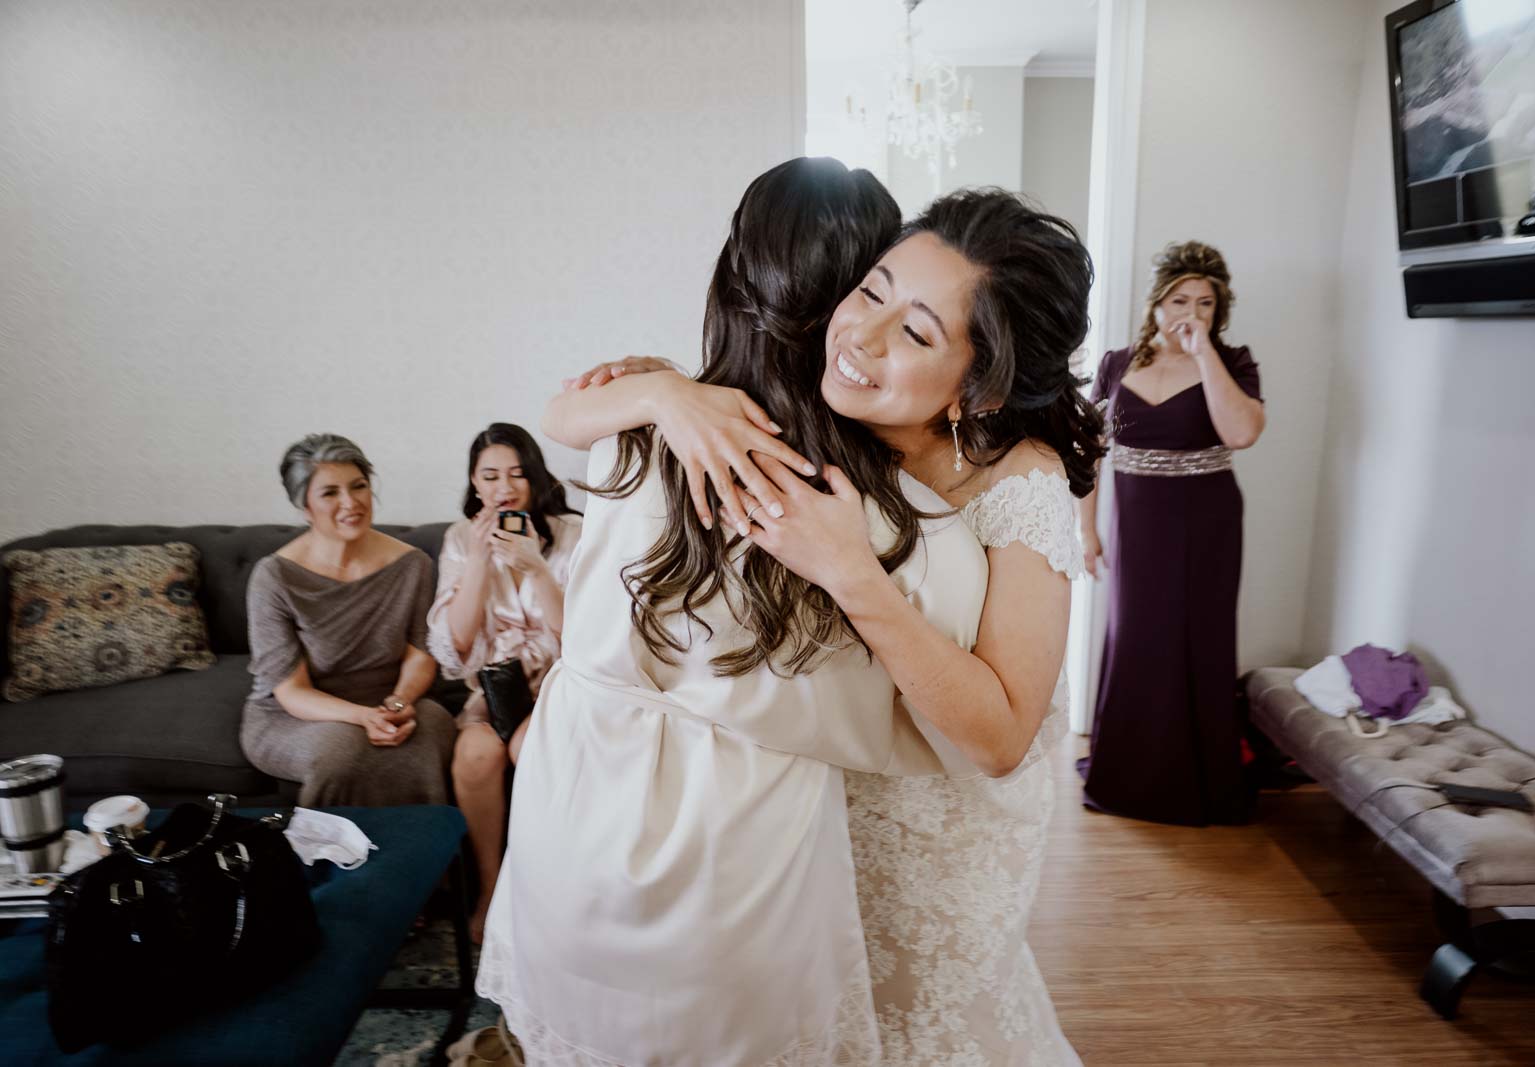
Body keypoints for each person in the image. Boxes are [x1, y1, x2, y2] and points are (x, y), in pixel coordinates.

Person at [476, 158, 996, 1067]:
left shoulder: (634, 435)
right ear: (849, 300)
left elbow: (562, 415)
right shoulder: (890, 517)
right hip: (738, 862)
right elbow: (970, 724)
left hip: (576, 816)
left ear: (729, 276)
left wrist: (658, 391)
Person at [564, 188, 1102, 1064]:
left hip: (943, 824)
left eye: (918, 332)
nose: (861, 335)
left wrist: (853, 572)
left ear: (981, 383)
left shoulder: (1023, 484)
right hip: (810, 798)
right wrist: (661, 390)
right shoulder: (814, 408)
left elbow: (1003, 737)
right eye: (871, 291)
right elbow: (573, 419)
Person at [1078, 240, 1266, 826]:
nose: (1190, 311)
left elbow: (1241, 434)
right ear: (1156, 303)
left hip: (1206, 522)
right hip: (1136, 523)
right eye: (1179, 299)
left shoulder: (1233, 363)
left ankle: (1196, 776)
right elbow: (1088, 454)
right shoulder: (1116, 364)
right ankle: (1128, 770)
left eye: (1205, 304)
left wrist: (1204, 353)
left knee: (1195, 639)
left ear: (1219, 312)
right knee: (1136, 635)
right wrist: (1086, 530)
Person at [426, 421, 581, 941]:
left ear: (535, 477)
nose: (504, 487)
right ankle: (492, 889)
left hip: (563, 686)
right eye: (490, 476)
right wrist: (477, 561)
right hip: (493, 689)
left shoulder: (574, 533)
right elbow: (456, 646)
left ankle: (545, 891)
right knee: (474, 754)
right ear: (474, 483)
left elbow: (584, 640)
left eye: (517, 473)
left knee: (525, 745)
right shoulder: (457, 539)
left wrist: (537, 568)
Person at [242, 434, 454, 806]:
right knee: (341, 751)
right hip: (298, 714)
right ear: (303, 505)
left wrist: (399, 703)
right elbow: (291, 691)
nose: (351, 502)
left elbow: (421, 652)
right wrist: (363, 717)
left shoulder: (413, 564)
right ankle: (326, 860)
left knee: (433, 726)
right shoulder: (274, 577)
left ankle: (428, 860)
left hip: (387, 698)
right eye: (330, 493)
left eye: (359, 486)